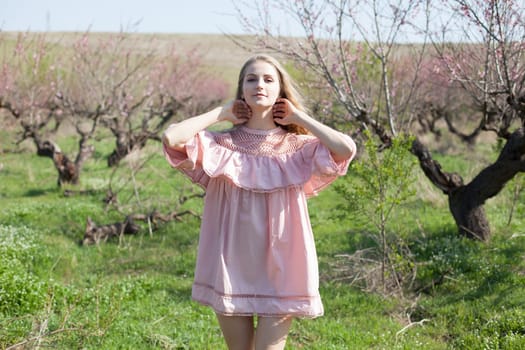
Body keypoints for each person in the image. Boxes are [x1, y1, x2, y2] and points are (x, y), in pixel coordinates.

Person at [162, 54, 356, 350]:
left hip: (283, 265)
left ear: (281, 90)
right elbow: (171, 137)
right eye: (251, 79)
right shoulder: (219, 145)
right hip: (231, 261)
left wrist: (299, 118)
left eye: (268, 79)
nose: (259, 85)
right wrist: (221, 113)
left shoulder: (297, 148)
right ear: (242, 89)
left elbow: (346, 149)